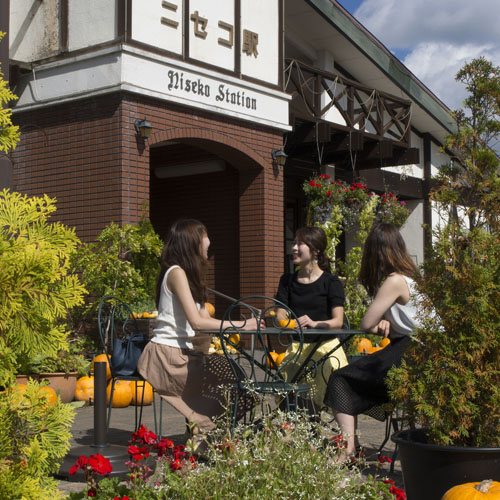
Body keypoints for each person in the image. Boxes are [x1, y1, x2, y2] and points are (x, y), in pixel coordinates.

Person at [137, 219, 261, 447]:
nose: (209, 241)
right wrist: (244, 326)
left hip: (184, 353)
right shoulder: (176, 273)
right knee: (232, 383)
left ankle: (203, 432)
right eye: (205, 235)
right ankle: (202, 431)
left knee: (239, 381)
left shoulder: (192, 276)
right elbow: (197, 323)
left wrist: (242, 325)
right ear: (192, 242)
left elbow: (205, 320)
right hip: (168, 357)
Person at [324, 222, 420, 460]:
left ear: (378, 251)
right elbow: (402, 321)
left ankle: (347, 449)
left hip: (412, 350)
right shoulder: (409, 278)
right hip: (420, 350)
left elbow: (366, 324)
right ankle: (351, 445)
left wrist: (378, 325)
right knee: (350, 378)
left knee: (340, 378)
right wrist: (385, 324)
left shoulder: (394, 281)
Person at [275, 226, 348, 409]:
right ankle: (302, 426)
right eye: (294, 243)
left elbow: (338, 321)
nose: (294, 248)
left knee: (326, 372)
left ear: (315, 250)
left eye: (300, 244)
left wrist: (316, 324)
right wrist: (291, 323)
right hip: (298, 347)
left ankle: (316, 422)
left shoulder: (331, 282)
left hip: (326, 347)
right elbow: (279, 317)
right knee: (289, 382)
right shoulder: (287, 281)